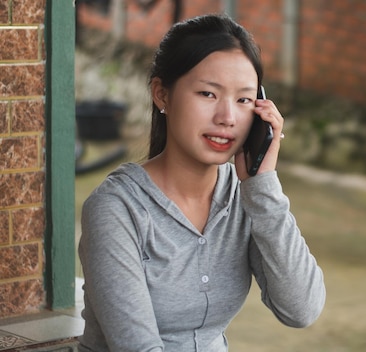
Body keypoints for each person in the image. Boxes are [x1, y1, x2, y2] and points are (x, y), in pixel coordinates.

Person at [78, 14, 326, 352]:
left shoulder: (246, 196)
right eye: (208, 93)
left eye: (243, 100)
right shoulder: (116, 208)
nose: (227, 117)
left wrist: (263, 185)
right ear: (161, 94)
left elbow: (301, 310)